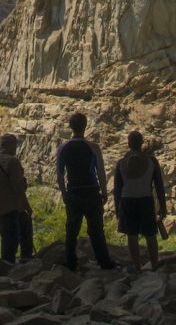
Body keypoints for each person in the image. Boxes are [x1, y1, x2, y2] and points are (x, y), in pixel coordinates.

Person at [55, 112, 117, 271]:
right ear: (85, 126)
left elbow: (60, 175)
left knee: (71, 230)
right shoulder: (93, 148)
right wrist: (104, 192)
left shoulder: (63, 148)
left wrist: (64, 193)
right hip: (91, 191)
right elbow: (101, 172)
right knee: (96, 229)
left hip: (73, 192)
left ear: (70, 126)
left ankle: (70, 262)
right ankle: (104, 262)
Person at [113, 130, 166, 271]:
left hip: (127, 201)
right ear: (142, 143)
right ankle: (155, 264)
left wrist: (117, 207)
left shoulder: (121, 163)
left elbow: (117, 188)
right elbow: (159, 186)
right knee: (150, 234)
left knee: (132, 235)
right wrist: (162, 206)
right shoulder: (151, 161)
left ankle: (137, 267)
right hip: (146, 200)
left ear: (129, 144)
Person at [0, 133, 34, 263]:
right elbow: (17, 186)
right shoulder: (12, 161)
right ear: (10, 146)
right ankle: (11, 262)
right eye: (15, 145)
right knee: (11, 236)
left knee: (14, 230)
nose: (16, 148)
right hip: (11, 204)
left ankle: (17, 258)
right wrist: (26, 205)